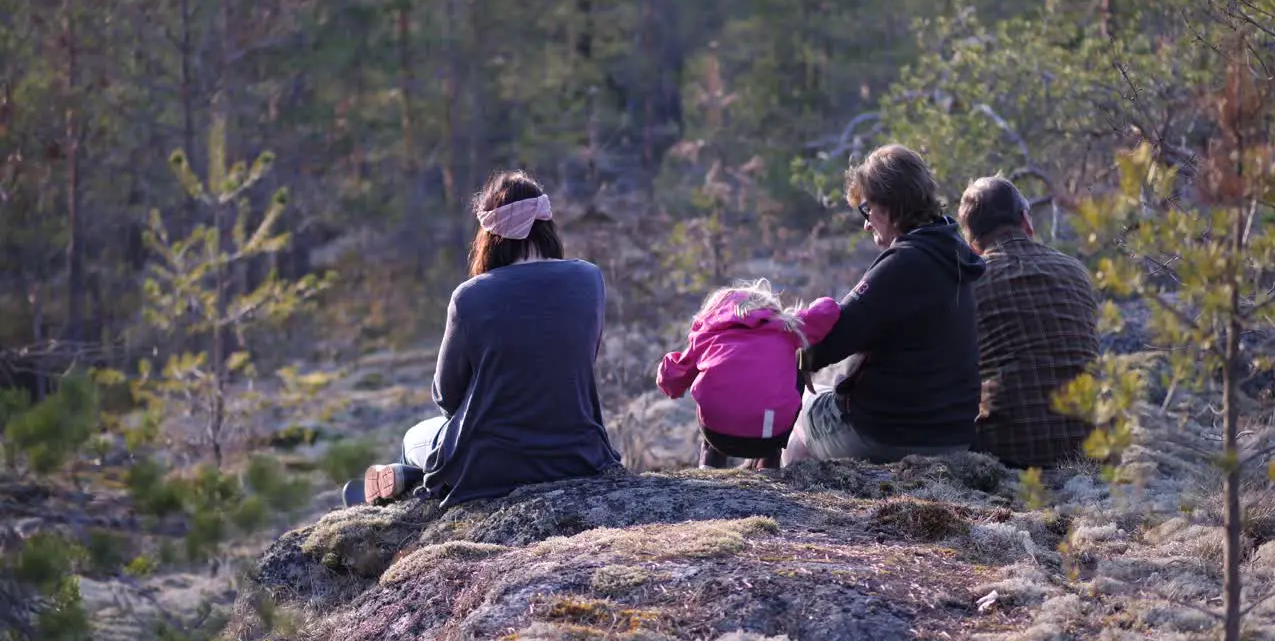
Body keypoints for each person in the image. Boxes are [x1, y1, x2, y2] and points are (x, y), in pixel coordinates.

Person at [343, 170, 622, 508]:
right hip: (578, 455)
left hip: (491, 467)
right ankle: (410, 478)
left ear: (489, 235)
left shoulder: (470, 297)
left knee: (415, 437)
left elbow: (446, 396)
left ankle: (398, 496)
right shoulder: (589, 280)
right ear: (546, 223)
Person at [782, 144, 986, 465]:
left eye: (867, 210)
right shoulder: (956, 255)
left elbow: (828, 344)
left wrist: (797, 354)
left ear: (890, 205)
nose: (866, 224)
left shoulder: (903, 263)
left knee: (798, 415)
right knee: (819, 395)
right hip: (954, 436)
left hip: (886, 435)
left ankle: (790, 504)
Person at [957, 176, 1100, 469]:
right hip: (1092, 447)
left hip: (1009, 451)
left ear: (971, 245)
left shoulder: (968, 283)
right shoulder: (1076, 271)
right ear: (1026, 220)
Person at [656, 278, 839, 470]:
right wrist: (818, 304)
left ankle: (710, 464)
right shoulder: (787, 328)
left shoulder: (708, 333)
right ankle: (769, 460)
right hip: (767, 436)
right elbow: (828, 310)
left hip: (717, 434)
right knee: (795, 370)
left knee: (710, 385)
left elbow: (672, 379)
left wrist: (669, 370)